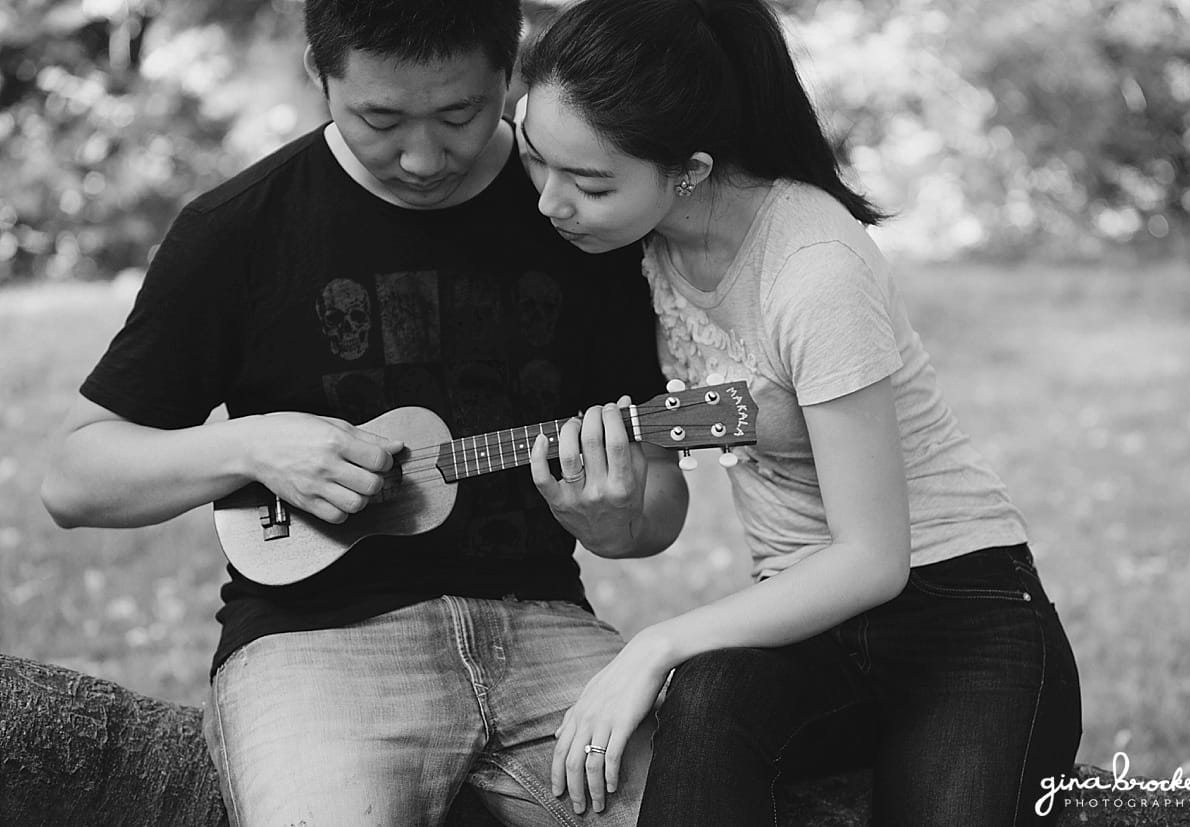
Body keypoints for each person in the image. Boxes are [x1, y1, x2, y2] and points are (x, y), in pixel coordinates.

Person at [39, 1, 690, 824]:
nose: (423, 157)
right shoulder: (238, 230)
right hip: (311, 643)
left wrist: (617, 520)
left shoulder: (582, 214)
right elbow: (74, 476)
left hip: (547, 629)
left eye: (460, 114)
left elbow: (657, 507)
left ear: (510, 71)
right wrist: (251, 445)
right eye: (380, 118)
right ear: (319, 73)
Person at [516, 0, 1083, 823]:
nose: (547, 202)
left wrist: (654, 644)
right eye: (538, 159)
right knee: (706, 709)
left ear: (691, 170)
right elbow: (671, 484)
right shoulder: (635, 249)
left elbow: (872, 558)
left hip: (960, 620)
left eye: (589, 183)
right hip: (806, 628)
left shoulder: (813, 269)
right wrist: (604, 519)